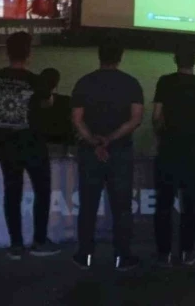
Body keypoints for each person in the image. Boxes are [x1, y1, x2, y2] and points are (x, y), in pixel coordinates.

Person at [72, 38, 144, 272]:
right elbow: (136, 119)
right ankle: (122, 256)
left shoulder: (84, 82)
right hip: (120, 152)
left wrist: (94, 141)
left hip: (90, 153)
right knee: (122, 206)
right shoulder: (131, 83)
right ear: (120, 57)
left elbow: (77, 120)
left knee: (88, 205)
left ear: (99, 56)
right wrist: (110, 140)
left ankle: (85, 255)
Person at [0, 31, 60, 260]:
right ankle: (39, 241)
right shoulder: (34, 80)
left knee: (12, 193)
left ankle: (16, 244)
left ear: (7, 52)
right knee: (42, 192)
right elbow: (47, 104)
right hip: (31, 144)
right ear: (28, 53)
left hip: (5, 144)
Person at [152, 46, 195, 267]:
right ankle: (187, 252)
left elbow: (157, 116)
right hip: (194, 152)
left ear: (175, 60)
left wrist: (160, 138)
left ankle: (164, 253)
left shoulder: (165, 82)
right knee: (190, 204)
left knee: (164, 203)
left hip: (169, 150)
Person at [36, 68, 75, 157]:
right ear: (56, 83)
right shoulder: (67, 101)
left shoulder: (32, 101)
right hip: (62, 145)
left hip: (38, 145)